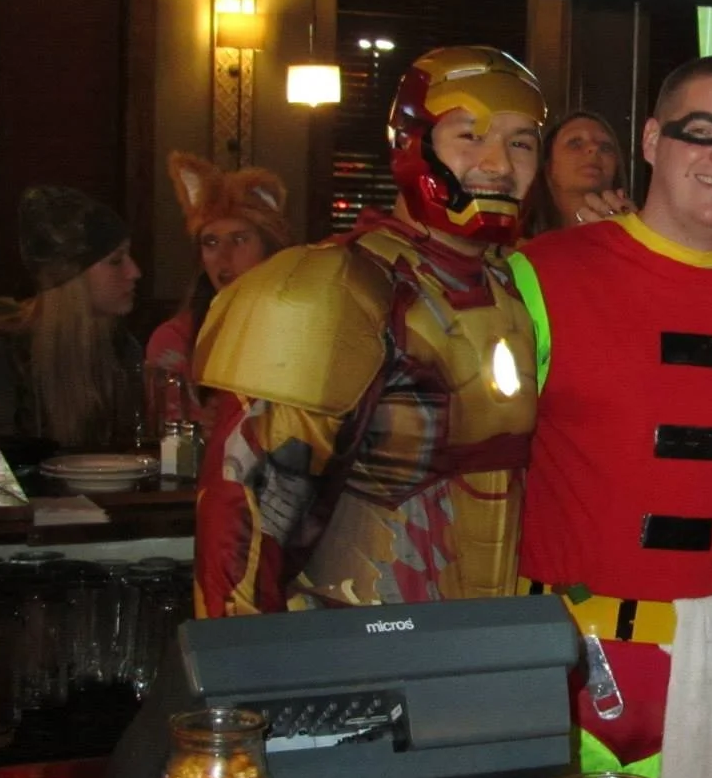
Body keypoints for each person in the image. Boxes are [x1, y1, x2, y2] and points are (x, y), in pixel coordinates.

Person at [510, 55, 712, 778]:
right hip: (557, 643)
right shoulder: (540, 271)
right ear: (651, 141)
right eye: (701, 131)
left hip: (706, 647)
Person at [192, 46, 544, 617]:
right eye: (469, 136)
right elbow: (248, 513)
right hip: (359, 639)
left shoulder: (519, 286)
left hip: (492, 644)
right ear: (412, 144)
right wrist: (245, 679)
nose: (499, 165)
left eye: (521, 142)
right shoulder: (333, 285)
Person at [0, 186, 143, 447]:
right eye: (116, 260)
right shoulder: (1, 356)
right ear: (70, 276)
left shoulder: (123, 349)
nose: (134, 271)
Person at [144, 152, 292, 408]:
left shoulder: (298, 330)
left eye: (239, 240)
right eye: (211, 242)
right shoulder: (176, 338)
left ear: (270, 249)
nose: (223, 256)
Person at [521, 110, 629, 235]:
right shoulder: (515, 245)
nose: (593, 148)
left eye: (605, 147)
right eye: (575, 143)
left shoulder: (635, 234)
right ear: (548, 167)